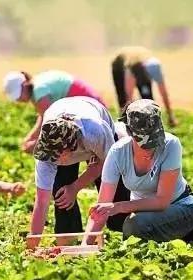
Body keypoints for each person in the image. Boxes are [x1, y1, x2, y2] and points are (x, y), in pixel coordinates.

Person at [83, 99, 193, 245]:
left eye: (154, 140)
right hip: (144, 214)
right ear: (129, 133)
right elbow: (102, 208)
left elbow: (162, 202)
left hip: (180, 208)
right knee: (134, 224)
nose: (150, 148)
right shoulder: (117, 152)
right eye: (144, 142)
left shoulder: (171, 144)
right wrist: (84, 246)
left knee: (134, 224)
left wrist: (119, 207)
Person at [26, 96, 130, 249]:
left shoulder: (95, 132)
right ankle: (68, 244)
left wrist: (75, 187)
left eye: (55, 156)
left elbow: (108, 166)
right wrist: (31, 248)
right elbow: (41, 203)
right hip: (60, 110)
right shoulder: (46, 152)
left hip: (95, 122)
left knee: (115, 202)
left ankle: (127, 239)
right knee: (62, 196)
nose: (50, 160)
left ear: (68, 151)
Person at [3, 70, 107, 153]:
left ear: (25, 85)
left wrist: (37, 144)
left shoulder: (39, 92)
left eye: (18, 95)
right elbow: (44, 116)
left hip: (90, 109)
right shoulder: (37, 85)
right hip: (91, 106)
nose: (18, 100)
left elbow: (54, 124)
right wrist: (30, 137)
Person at [111, 47, 177, 126]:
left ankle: (151, 124)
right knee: (123, 100)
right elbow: (128, 96)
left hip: (139, 65)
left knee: (148, 100)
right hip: (119, 64)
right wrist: (130, 121)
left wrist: (170, 115)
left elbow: (164, 93)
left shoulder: (154, 67)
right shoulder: (130, 70)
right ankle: (123, 124)